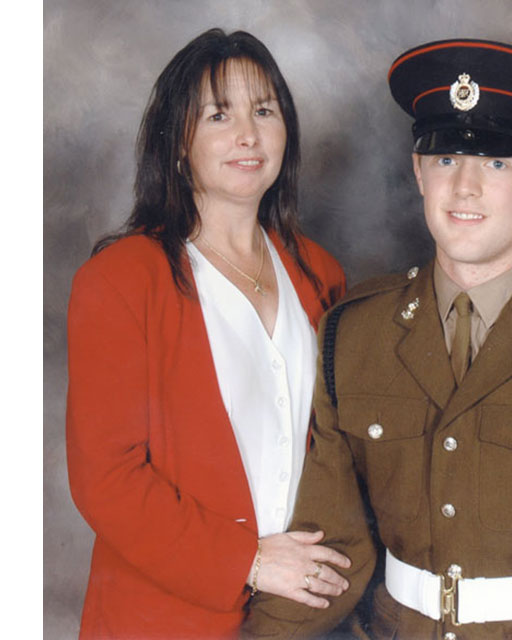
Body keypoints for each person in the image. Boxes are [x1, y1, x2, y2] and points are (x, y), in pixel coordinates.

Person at [244, 39, 512, 639]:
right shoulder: (353, 335)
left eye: (498, 163)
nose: (466, 187)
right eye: (447, 159)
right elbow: (329, 555)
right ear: (418, 172)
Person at [66, 29, 353, 638]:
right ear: (178, 143)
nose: (247, 134)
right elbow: (107, 479)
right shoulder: (121, 280)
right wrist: (246, 561)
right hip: (164, 618)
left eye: (264, 111)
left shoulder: (319, 274)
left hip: (297, 618)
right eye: (218, 114)